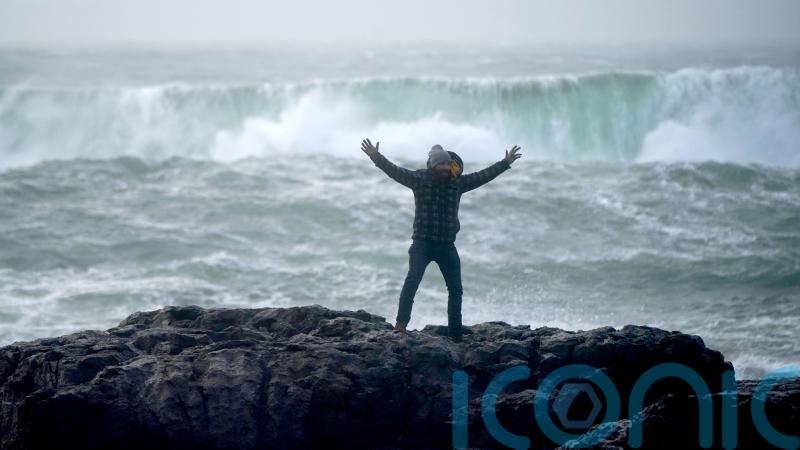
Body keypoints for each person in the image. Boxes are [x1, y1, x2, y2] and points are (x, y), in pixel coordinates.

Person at [360, 138, 521, 342]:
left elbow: (482, 176)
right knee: (412, 281)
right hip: (422, 244)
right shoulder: (419, 179)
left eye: (447, 163)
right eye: (441, 164)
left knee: (456, 291)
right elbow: (395, 171)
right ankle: (400, 326)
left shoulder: (457, 183)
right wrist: (376, 157)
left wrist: (505, 163)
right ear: (433, 165)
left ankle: (455, 336)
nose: (445, 167)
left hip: (447, 246)